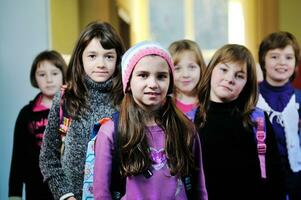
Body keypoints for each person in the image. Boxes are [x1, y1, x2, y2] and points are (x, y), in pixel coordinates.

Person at [93, 41, 208, 200]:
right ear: (128, 83)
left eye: (161, 76)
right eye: (143, 75)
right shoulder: (111, 132)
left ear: (170, 83)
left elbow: (199, 189)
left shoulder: (186, 129)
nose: (153, 84)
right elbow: (101, 194)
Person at [39, 21, 125, 200]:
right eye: (92, 56)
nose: (101, 64)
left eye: (108, 56)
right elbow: (48, 156)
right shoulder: (65, 98)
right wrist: (65, 195)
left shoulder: (127, 100)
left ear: (118, 59)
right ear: (80, 58)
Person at [196, 44, 285, 200]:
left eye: (239, 75)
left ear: (247, 84)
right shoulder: (189, 121)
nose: (229, 79)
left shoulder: (258, 121)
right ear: (210, 70)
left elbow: (275, 178)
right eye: (224, 70)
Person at [9, 50, 67, 200]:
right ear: (35, 78)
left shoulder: (72, 110)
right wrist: (14, 195)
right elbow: (18, 158)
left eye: (54, 73)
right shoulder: (26, 114)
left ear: (63, 75)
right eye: (42, 74)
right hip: (36, 189)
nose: (49, 80)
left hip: (68, 189)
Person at [257, 31, 301, 200]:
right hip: (262, 177)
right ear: (263, 60)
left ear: (296, 63)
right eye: (274, 57)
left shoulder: (299, 97)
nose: (282, 62)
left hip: (295, 176)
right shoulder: (251, 97)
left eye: (289, 57)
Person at [168, 39, 206, 121]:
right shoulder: (165, 104)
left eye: (192, 67)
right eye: (177, 69)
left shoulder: (207, 101)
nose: (185, 75)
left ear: (201, 68)